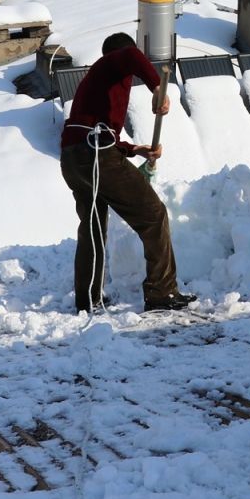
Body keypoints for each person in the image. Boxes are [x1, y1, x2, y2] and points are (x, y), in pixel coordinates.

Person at [60, 33, 197, 314]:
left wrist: (135, 149)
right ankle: (161, 292)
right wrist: (158, 87)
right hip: (95, 155)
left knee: (93, 228)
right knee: (153, 214)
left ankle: (88, 300)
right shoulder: (114, 62)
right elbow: (130, 57)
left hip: (76, 157)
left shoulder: (95, 84)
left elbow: (102, 133)